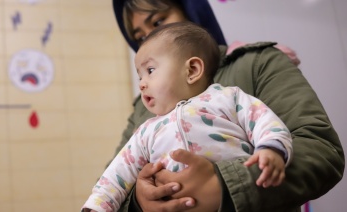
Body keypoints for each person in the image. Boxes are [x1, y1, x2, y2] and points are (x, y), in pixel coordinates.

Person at [108, 0, 344, 211]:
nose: (148, 39)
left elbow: (321, 150)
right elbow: (113, 179)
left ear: (191, 7)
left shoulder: (258, 62)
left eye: (158, 20)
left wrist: (222, 186)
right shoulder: (142, 106)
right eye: (139, 37)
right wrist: (139, 202)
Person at [82, 22, 293, 212]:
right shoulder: (146, 130)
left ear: (192, 70)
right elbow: (119, 171)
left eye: (151, 70)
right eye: (140, 75)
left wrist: (271, 149)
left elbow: (266, 122)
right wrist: (97, 205)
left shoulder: (229, 98)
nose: (142, 83)